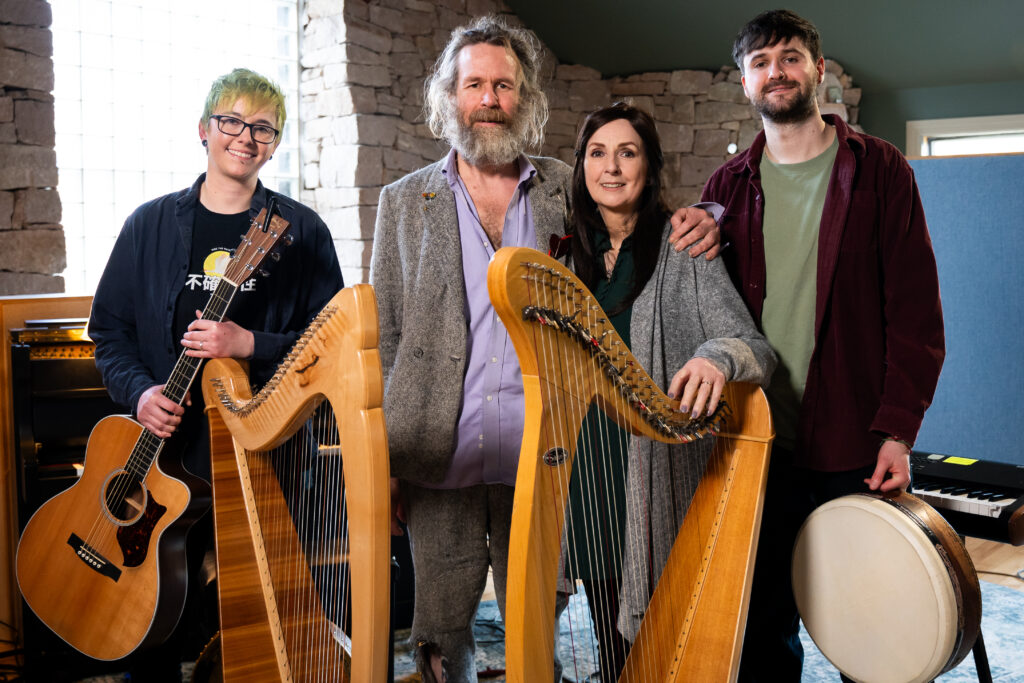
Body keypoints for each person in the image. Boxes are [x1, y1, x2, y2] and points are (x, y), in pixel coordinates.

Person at [369, 16, 721, 683]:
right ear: (451, 95)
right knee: (440, 631)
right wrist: (385, 454)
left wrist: (712, 216)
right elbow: (386, 332)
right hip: (434, 448)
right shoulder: (402, 200)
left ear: (525, 98)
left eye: (505, 85)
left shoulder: (568, 185)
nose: (491, 99)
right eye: (475, 84)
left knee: (538, 618)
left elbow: (638, 216)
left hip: (550, 447)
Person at [685, 10, 945, 681]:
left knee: (870, 623)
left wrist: (898, 431)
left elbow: (916, 314)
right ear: (744, 82)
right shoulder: (725, 188)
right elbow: (710, 313)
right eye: (762, 62)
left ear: (818, 70)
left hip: (853, 440)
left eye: (791, 56)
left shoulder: (881, 170)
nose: (778, 71)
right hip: (757, 440)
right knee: (762, 625)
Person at [88, 68, 343, 679]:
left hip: (262, 458)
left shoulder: (301, 232)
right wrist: (141, 391)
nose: (245, 137)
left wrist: (248, 341)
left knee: (251, 620)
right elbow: (110, 331)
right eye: (231, 121)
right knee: (148, 613)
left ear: (274, 144)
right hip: (162, 458)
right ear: (204, 130)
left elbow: (330, 345)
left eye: (263, 128)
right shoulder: (147, 226)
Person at [562, 102, 776, 679]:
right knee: (606, 629)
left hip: (654, 473)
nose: (611, 167)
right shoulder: (564, 258)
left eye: (627, 153)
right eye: (597, 153)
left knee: (658, 634)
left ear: (649, 167)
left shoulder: (686, 249)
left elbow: (753, 345)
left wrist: (715, 358)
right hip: (586, 470)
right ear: (581, 167)